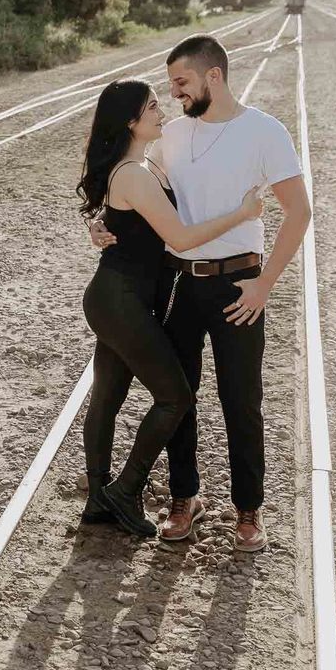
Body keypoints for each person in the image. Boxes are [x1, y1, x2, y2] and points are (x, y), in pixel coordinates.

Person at [91, 35, 311, 550]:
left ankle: (248, 510)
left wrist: (265, 284)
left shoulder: (264, 131)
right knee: (179, 397)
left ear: (213, 76)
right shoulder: (172, 137)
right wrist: (99, 224)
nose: (174, 94)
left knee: (242, 400)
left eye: (181, 82)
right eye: (169, 86)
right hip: (179, 283)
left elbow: (298, 212)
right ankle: (183, 499)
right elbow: (129, 191)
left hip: (240, 284)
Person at [78, 78, 264, 537]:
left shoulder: (141, 167)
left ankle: (101, 501)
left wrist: (101, 225)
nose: (162, 112)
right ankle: (123, 490)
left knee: (108, 395)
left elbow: (128, 224)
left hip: (124, 297)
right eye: (152, 107)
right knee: (175, 396)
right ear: (131, 121)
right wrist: (243, 214)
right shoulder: (135, 174)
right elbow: (179, 238)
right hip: (119, 299)